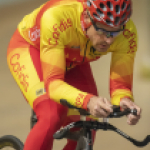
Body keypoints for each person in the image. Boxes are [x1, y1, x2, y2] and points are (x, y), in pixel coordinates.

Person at [7, 0, 142, 150]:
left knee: (90, 120)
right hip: (32, 49)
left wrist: (124, 100)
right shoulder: (57, 17)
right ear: (86, 17)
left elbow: (120, 85)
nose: (109, 39)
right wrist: (88, 101)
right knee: (51, 114)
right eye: (102, 31)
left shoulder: (127, 33)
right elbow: (54, 85)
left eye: (116, 32)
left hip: (71, 58)